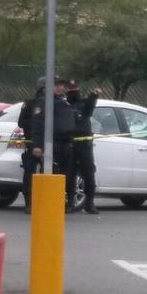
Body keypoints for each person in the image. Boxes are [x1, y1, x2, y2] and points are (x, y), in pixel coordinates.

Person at [30, 77, 76, 211]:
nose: (60, 88)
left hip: (65, 143)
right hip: (52, 144)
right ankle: (48, 203)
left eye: (61, 85)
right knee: (51, 174)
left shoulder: (64, 101)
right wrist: (37, 145)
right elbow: (38, 124)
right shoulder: (44, 102)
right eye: (56, 85)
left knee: (65, 174)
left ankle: (63, 202)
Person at [66, 80, 101, 214]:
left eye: (75, 89)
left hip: (85, 145)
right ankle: (70, 202)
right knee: (70, 173)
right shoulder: (65, 105)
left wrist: (93, 96)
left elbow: (89, 108)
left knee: (88, 173)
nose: (73, 91)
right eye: (71, 89)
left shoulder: (84, 104)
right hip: (71, 143)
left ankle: (89, 203)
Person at [18, 77, 46, 213]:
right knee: (30, 173)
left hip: (49, 144)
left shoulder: (55, 103)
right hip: (32, 142)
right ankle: (29, 203)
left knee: (48, 173)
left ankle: (44, 201)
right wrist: (37, 124)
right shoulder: (30, 103)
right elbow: (21, 122)